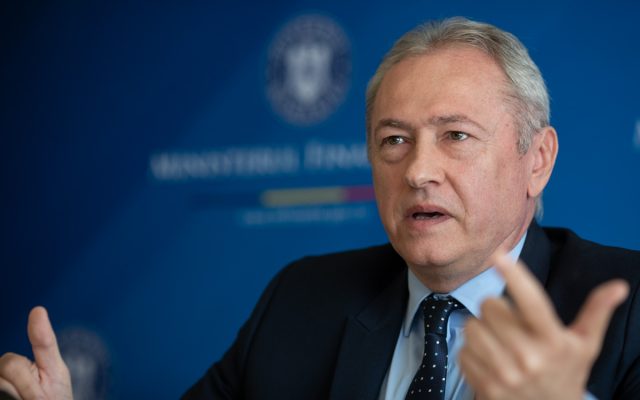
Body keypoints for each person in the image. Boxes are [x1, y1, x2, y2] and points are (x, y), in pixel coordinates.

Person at [1, 16, 638, 400]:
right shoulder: (302, 299)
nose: (418, 170)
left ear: (537, 159)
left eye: (455, 136)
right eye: (394, 140)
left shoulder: (629, 310)